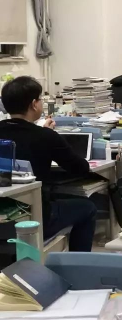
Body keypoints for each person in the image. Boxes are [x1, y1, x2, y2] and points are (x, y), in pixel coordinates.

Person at [0, 76, 96, 251]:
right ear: (33, 104)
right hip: (35, 216)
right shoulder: (46, 136)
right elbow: (80, 168)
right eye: (40, 99)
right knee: (87, 207)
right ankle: (78, 262)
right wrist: (49, 136)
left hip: (5, 213)